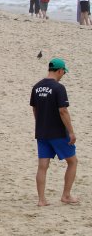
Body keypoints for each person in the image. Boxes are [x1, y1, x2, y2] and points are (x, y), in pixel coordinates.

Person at [31, 59, 79, 206]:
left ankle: (41, 200)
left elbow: (35, 109)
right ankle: (66, 195)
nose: (63, 74)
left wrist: (40, 124)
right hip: (58, 132)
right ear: (59, 70)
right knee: (72, 161)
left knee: (42, 166)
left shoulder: (37, 87)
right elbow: (63, 111)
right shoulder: (58, 88)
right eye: (63, 72)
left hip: (42, 132)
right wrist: (71, 132)